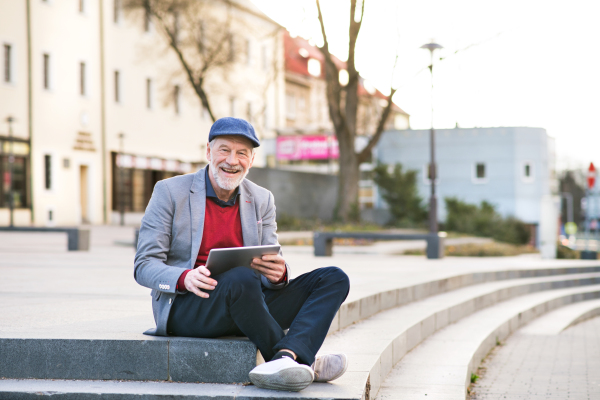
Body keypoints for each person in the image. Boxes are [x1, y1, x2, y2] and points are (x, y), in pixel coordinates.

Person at [134, 117, 350, 391]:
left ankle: (287, 358)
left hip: (247, 299)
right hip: (190, 305)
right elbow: (144, 265)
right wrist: (184, 277)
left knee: (333, 278)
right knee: (241, 278)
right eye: (224, 150)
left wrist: (279, 276)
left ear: (251, 159)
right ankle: (300, 360)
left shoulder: (262, 199)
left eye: (242, 153)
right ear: (208, 152)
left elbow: (271, 263)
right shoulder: (169, 192)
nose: (232, 160)